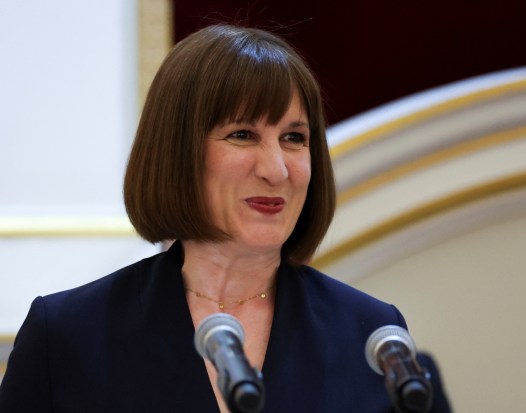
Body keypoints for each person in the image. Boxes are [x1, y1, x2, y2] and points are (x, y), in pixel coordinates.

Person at [0, 24, 451, 412]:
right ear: (177, 153)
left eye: (294, 138)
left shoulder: (371, 335)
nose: (276, 169)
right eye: (242, 134)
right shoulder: (64, 334)